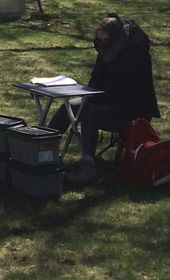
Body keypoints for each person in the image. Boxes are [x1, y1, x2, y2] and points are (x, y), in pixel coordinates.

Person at [54, 11, 160, 186]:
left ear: (115, 37)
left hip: (133, 107)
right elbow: (97, 79)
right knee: (71, 106)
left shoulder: (134, 51)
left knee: (89, 114)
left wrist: (91, 102)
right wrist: (87, 95)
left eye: (105, 39)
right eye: (99, 40)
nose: (101, 43)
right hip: (109, 100)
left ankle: (89, 167)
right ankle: (44, 148)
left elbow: (120, 86)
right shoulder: (107, 49)